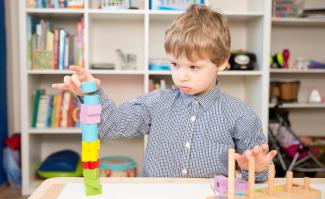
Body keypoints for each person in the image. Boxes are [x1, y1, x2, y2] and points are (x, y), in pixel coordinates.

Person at [52, 4, 277, 181]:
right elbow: (112, 125)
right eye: (174, 64)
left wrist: (257, 170)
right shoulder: (156, 102)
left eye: (193, 67)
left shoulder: (240, 115)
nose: (181, 76)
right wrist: (91, 95)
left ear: (221, 62)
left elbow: (259, 176)